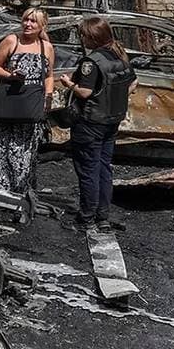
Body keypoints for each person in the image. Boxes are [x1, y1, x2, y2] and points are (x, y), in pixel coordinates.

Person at [66, 15, 136, 231]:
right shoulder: (120, 57)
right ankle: (102, 216)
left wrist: (68, 84)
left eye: (84, 35)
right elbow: (133, 83)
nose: (82, 39)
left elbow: (85, 92)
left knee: (88, 169)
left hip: (90, 121)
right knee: (104, 168)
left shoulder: (91, 62)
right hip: (111, 121)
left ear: (92, 37)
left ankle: (86, 217)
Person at [0, 7, 55, 217]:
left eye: (33, 22)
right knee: (4, 150)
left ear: (42, 26)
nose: (28, 24)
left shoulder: (46, 47)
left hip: (31, 107)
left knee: (25, 152)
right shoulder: (11, 41)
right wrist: (9, 75)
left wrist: (49, 98)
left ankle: (22, 195)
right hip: (10, 103)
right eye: (26, 20)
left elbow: (49, 75)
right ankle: (1, 195)